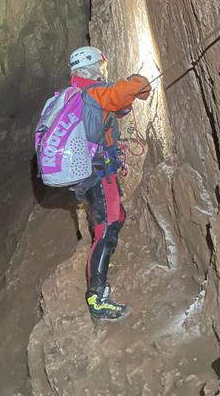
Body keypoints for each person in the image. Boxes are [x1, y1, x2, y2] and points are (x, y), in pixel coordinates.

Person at [67, 46, 151, 321]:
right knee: (106, 226)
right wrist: (139, 80)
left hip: (93, 171)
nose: (104, 71)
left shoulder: (76, 95)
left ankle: (101, 264)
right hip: (99, 171)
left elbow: (113, 109)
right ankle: (97, 298)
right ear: (93, 68)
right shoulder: (94, 92)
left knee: (114, 218)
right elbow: (119, 93)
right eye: (101, 67)